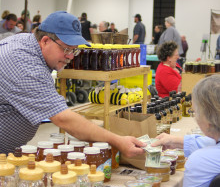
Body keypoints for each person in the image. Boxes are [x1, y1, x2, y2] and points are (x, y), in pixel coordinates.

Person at [0, 11, 145, 157]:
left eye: (74, 50)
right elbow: (64, 119)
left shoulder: (27, 42)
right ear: (45, 41)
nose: (70, 56)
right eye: (66, 49)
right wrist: (118, 141)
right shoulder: (24, 65)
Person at [152, 74, 220, 187]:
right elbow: (213, 145)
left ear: (208, 120)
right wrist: (175, 141)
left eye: (194, 112)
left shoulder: (200, 161)